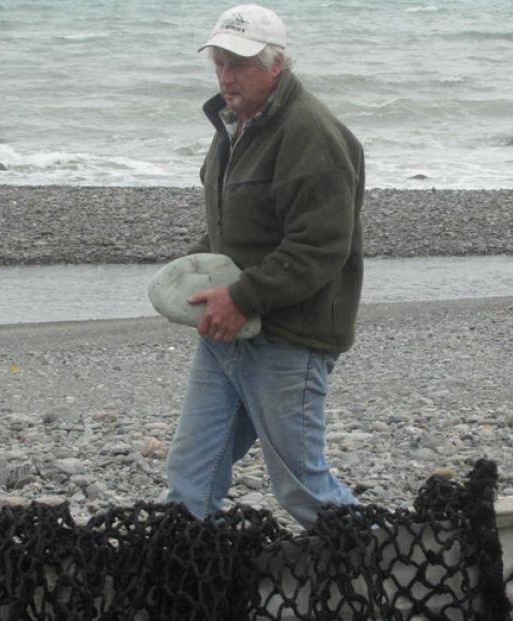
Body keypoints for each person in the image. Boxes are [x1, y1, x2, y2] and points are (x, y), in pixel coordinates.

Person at [162, 4, 366, 530]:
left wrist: (243, 298)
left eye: (240, 63)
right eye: (219, 62)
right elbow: (231, 222)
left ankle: (386, 571)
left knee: (300, 486)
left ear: (276, 64)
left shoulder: (310, 133)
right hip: (228, 330)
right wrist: (198, 274)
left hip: (289, 336)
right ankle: (181, 574)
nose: (226, 76)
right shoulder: (236, 123)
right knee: (190, 471)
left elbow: (321, 246)